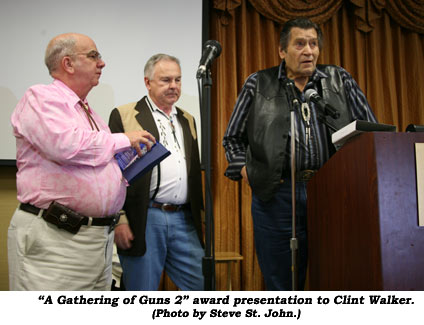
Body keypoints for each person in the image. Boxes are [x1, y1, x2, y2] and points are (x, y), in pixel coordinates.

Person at [223, 18, 378, 290]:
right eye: (300, 44)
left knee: (336, 275)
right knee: (280, 283)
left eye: (313, 44)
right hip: (276, 195)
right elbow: (233, 138)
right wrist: (247, 171)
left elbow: (371, 132)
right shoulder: (257, 84)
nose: (309, 51)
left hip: (333, 194)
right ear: (282, 51)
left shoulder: (339, 80)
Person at [8, 33, 154, 291]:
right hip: (56, 241)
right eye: (94, 56)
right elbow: (65, 145)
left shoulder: (89, 112)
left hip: (97, 242)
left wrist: (128, 159)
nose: (102, 63)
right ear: (68, 64)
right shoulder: (40, 98)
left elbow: (96, 157)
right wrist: (123, 139)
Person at [108, 53, 204, 290]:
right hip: (145, 217)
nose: (174, 86)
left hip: (184, 219)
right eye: (166, 80)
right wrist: (119, 219)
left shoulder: (187, 118)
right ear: (147, 82)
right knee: (142, 290)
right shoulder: (125, 114)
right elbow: (111, 172)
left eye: (178, 80)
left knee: (202, 285)